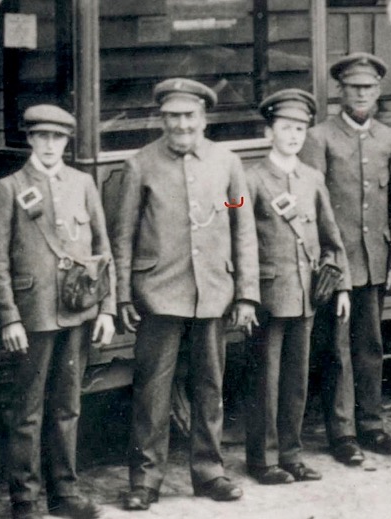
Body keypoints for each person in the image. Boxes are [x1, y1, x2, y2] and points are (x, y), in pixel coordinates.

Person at [111, 78, 260, 510]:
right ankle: (145, 480)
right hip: (158, 294)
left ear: (203, 117)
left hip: (213, 291)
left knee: (210, 387)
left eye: (188, 116)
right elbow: (124, 236)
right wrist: (123, 295)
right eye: (172, 116)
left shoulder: (226, 164)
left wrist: (246, 293)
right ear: (162, 118)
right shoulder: (140, 166)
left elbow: (240, 225)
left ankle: (209, 471)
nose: (180, 124)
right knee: (152, 392)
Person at [0, 104, 116, 519]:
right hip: (34, 314)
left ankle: (65, 492)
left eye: (56, 138)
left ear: (66, 141)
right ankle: (25, 497)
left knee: (68, 405)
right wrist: (9, 317)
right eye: (41, 136)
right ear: (29, 139)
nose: (48, 144)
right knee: (27, 409)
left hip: (77, 312)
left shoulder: (82, 183)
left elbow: (102, 251)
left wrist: (107, 309)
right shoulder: (10, 188)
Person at [300, 52, 391, 465]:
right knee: (336, 349)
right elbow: (310, 206)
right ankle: (342, 433)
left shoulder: (387, 138)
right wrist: (325, 263)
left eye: (368, 88)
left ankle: (372, 425)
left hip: (376, 261)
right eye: (353, 88)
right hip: (337, 264)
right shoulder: (319, 138)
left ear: (379, 92)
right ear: (340, 92)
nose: (361, 94)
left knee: (371, 346)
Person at [245, 89, 352, 485]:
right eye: (285, 127)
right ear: (269, 130)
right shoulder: (251, 179)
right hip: (268, 297)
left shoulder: (312, 178)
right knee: (266, 380)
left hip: (306, 294)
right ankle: (263, 459)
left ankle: (291, 455)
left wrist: (341, 285)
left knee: (296, 379)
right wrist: (246, 292)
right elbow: (233, 221)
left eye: (300, 129)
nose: (293, 136)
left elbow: (330, 235)